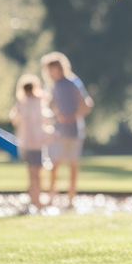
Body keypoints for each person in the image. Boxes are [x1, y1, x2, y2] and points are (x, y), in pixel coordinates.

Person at [42, 51, 93, 203]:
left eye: (53, 69)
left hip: (73, 130)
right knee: (54, 164)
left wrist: (73, 116)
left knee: (72, 164)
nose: (51, 73)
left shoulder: (72, 82)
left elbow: (87, 104)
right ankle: (51, 196)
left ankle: (71, 198)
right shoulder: (52, 86)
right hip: (58, 130)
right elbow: (49, 106)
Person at [10, 74, 52, 208]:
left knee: (33, 172)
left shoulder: (23, 103)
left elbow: (16, 119)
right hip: (34, 142)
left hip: (30, 142)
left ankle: (34, 198)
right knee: (36, 173)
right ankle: (36, 199)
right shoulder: (35, 102)